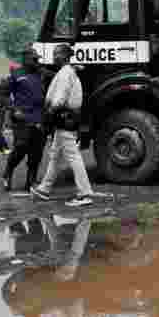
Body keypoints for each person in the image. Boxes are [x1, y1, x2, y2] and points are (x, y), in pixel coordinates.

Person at [30, 44, 96, 207]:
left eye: (57, 53)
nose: (54, 56)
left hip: (64, 117)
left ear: (64, 56)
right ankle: (44, 189)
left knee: (73, 156)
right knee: (55, 155)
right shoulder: (67, 72)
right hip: (66, 118)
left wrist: (48, 115)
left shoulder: (66, 73)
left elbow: (59, 99)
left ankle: (85, 193)